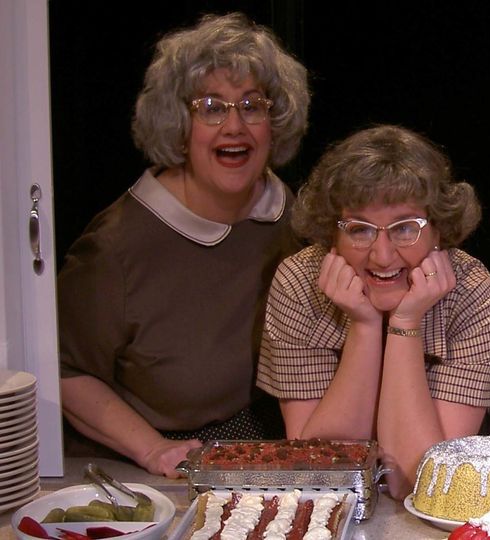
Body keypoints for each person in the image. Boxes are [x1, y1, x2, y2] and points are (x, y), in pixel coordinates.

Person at [57, 13, 310, 478]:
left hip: (252, 440)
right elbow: (64, 371)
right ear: (177, 123)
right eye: (212, 107)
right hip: (137, 463)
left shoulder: (288, 211)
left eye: (252, 105)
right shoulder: (115, 248)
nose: (235, 126)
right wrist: (152, 451)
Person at [256, 124, 490, 498]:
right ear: (333, 232)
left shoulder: (474, 295)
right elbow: (324, 468)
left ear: (438, 230)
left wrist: (405, 324)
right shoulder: (299, 283)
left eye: (405, 228)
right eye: (360, 230)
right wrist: (364, 327)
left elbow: (420, 481)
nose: (382, 255)